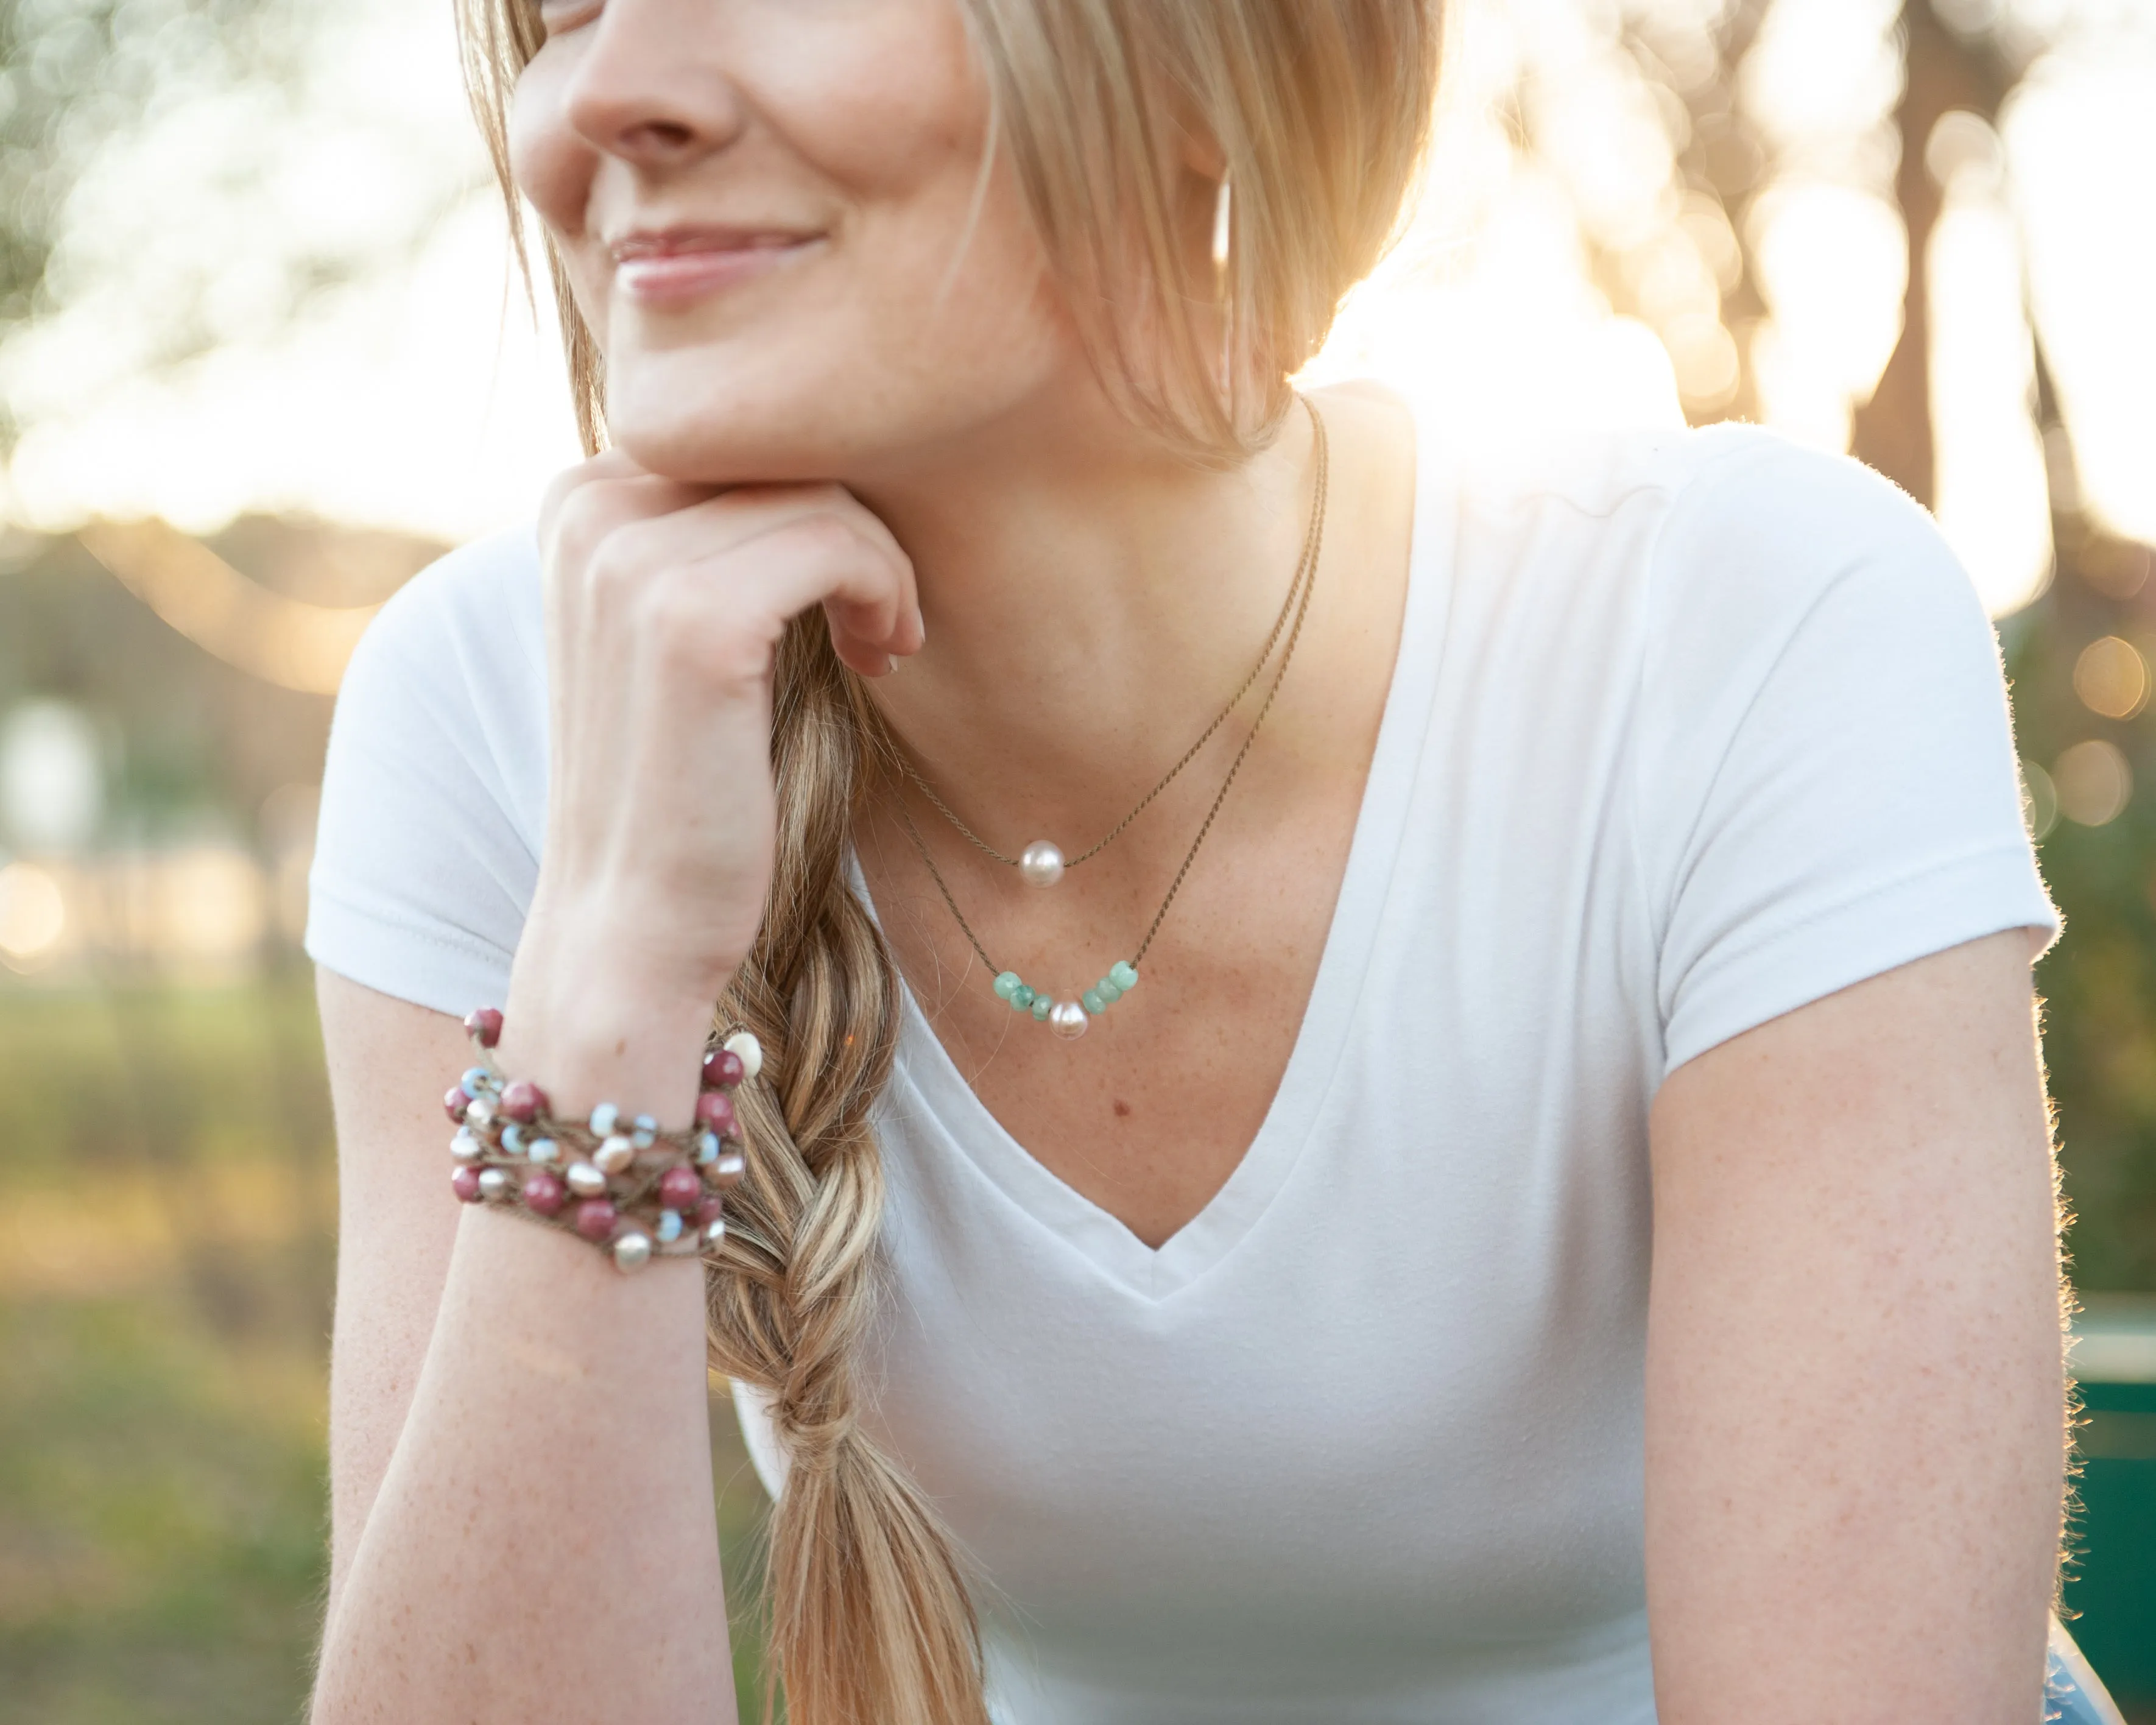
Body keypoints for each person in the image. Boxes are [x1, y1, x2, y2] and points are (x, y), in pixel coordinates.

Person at [300, 1, 2112, 1721]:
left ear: (1194, 55)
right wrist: (610, 977)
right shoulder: (501, 714)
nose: (607, 96)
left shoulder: (1740, 624)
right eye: (562, 10)